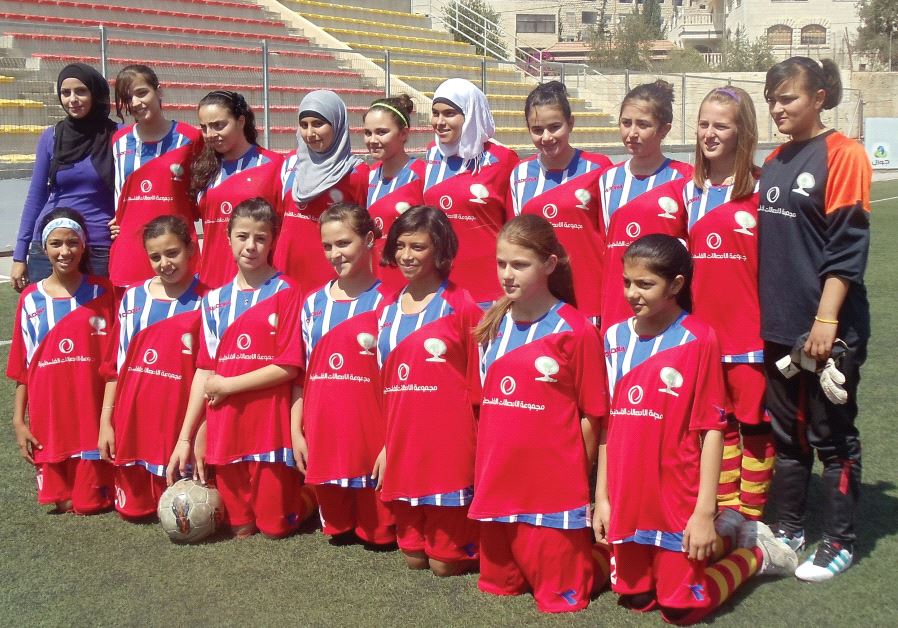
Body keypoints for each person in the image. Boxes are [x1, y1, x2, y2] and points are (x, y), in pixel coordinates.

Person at [596, 234, 797, 625]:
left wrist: (704, 511)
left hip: (676, 495)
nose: (632, 293)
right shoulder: (613, 337)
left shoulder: (699, 338)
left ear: (676, 285)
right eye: (627, 282)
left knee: (682, 609)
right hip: (627, 495)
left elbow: (712, 428)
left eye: (645, 284)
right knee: (636, 598)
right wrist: (602, 497)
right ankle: (725, 529)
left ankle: (754, 553)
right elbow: (608, 423)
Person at [758, 57, 871, 582]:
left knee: (833, 437)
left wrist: (826, 322)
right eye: (772, 98)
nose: (777, 108)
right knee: (788, 436)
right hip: (780, 330)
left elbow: (846, 249)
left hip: (828, 330)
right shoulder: (777, 159)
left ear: (819, 97)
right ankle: (789, 529)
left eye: (789, 98)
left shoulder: (844, 154)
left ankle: (840, 541)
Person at [469, 215, 610, 613]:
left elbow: (591, 415)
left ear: (549, 265)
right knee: (499, 589)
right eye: (501, 264)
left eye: (519, 264)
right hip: (497, 487)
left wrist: (575, 479)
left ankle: (609, 552)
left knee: (561, 601)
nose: (507, 275)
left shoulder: (576, 329)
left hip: (552, 492)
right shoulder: (490, 323)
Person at [166, 198, 316, 538]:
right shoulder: (215, 300)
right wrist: (189, 436)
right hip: (225, 428)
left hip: (269, 428)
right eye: (243, 236)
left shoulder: (288, 291)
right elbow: (205, 372)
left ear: (273, 240)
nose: (251, 246)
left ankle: (313, 496)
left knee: (277, 528)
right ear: (227, 238)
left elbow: (289, 366)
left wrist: (228, 387)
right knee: (241, 529)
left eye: (261, 238)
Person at [376, 205, 482, 576]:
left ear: (439, 250)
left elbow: (478, 384)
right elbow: (386, 385)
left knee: (442, 565)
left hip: (448, 447)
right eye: (401, 245)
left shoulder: (462, 305)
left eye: (418, 247)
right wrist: (387, 445)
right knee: (413, 559)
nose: (407, 256)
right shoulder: (387, 307)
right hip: (403, 443)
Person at [685, 86, 774, 521]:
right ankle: (724, 510)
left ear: (743, 131)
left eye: (721, 125)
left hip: (750, 337)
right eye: (704, 124)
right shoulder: (689, 192)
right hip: (704, 336)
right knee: (717, 427)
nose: (710, 133)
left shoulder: (764, 190)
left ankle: (752, 516)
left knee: (754, 424)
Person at [293, 203, 395, 546]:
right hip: (324, 440)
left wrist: (390, 444)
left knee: (380, 538)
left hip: (372, 444)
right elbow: (301, 375)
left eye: (343, 243)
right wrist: (296, 431)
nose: (335, 254)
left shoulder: (391, 303)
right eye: (327, 246)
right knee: (337, 533)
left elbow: (399, 385)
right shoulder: (311, 304)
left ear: (369, 240)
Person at [8, 208, 115, 514]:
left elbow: (114, 362)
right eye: (56, 244)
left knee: (88, 505)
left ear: (83, 246)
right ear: (44, 248)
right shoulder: (30, 299)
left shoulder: (102, 291)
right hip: (50, 419)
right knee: (64, 503)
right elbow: (23, 367)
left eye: (72, 243)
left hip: (91, 417)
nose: (64, 251)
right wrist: (19, 421)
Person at [97, 216, 205, 521]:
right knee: (132, 512)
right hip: (133, 421)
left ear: (190, 249)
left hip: (178, 422)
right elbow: (115, 366)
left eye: (173, 253)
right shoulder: (133, 298)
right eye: (155, 257)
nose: (164, 263)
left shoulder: (210, 301)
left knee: (183, 509)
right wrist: (107, 419)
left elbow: (209, 374)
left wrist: (201, 431)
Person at [508, 81, 612, 323]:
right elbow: (516, 242)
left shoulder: (600, 169)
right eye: (537, 129)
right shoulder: (520, 175)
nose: (546, 137)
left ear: (571, 123)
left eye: (555, 127)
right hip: (538, 302)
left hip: (589, 302)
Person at [598, 80, 693, 335]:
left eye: (643, 124)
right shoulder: (607, 179)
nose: (632, 132)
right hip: (616, 309)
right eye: (626, 122)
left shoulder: (685, 179)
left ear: (664, 129)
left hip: (666, 313)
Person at [12, 63, 116, 291]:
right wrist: (19, 255)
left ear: (95, 94)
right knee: (49, 323)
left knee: (99, 322)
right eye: (65, 93)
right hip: (49, 243)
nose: (72, 99)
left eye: (80, 91)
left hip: (99, 245)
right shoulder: (51, 136)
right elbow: (36, 196)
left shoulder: (117, 137)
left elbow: (129, 192)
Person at [422, 78, 519, 305]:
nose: (440, 121)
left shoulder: (503, 159)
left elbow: (515, 228)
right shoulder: (432, 154)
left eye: (449, 113)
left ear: (471, 114)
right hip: (438, 286)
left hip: (488, 289)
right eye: (435, 113)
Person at [108, 65, 203, 289]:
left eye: (142, 93)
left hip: (176, 251)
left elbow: (200, 195)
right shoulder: (118, 140)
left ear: (159, 92)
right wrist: (119, 218)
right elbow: (120, 192)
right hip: (130, 249)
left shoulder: (190, 138)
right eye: (128, 98)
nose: (136, 103)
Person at [274, 90, 368, 297]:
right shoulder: (290, 163)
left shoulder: (355, 173)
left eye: (318, 124)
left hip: (329, 279)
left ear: (337, 124)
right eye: (304, 124)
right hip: (285, 275)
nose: (309, 133)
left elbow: (360, 230)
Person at [190, 91, 283, 290]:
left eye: (218, 125)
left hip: (258, 283)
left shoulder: (273, 165)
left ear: (241, 121)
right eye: (204, 127)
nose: (210, 134)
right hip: (212, 280)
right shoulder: (203, 169)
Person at [363, 95, 425, 295]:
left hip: (412, 284)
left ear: (404, 134)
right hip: (375, 284)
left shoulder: (423, 174)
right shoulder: (367, 176)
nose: (372, 140)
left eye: (381, 132)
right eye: (367, 132)